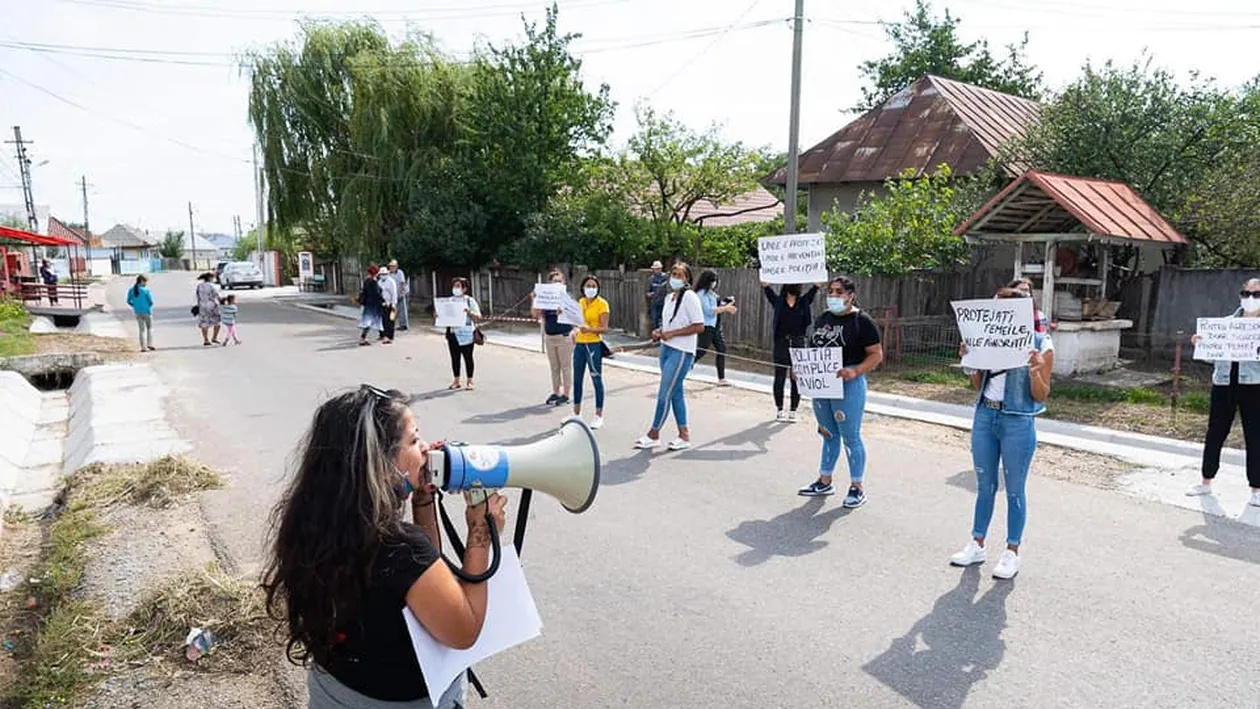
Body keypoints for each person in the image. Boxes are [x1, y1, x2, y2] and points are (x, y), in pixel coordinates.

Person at [261, 385, 508, 709]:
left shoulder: (317, 523)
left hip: (334, 690)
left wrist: (422, 502)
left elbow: (424, 578)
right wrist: (480, 534)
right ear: (382, 465)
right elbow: (463, 631)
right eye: (414, 441)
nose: (425, 448)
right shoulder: (399, 547)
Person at [950, 283, 1055, 580]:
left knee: (1015, 489)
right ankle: (977, 543)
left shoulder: (1041, 343)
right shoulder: (986, 339)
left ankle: (1012, 551)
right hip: (985, 414)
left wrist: (1035, 371)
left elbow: (1041, 395)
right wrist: (971, 362)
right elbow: (977, 384)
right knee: (985, 484)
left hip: (1017, 420)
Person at [797, 277, 884, 508]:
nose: (833, 296)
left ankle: (857, 487)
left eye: (839, 292)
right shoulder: (823, 318)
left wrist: (856, 371)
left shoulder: (861, 321)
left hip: (849, 385)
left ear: (851, 295)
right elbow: (813, 349)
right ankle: (824, 480)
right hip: (822, 385)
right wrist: (802, 370)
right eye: (830, 292)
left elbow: (876, 355)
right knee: (827, 433)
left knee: (851, 436)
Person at [1187, 277, 1260, 507]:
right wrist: (1200, 344)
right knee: (1215, 432)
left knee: (1255, 435)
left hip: (1254, 386)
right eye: (1246, 293)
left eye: (1257, 294)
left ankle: (1256, 489)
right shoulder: (1225, 324)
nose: (1251, 298)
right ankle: (1206, 481)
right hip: (1224, 384)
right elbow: (1213, 356)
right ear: (1240, 296)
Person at [635, 262, 706, 451]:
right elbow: (669, 324)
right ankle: (684, 435)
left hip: (681, 351)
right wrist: (660, 331)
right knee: (676, 393)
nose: (675, 278)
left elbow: (699, 326)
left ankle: (654, 433)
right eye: (673, 274)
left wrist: (673, 334)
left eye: (680, 275)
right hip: (666, 348)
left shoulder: (689, 297)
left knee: (664, 392)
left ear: (687, 279)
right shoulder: (669, 298)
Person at [762, 281, 821, 422]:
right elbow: (769, 293)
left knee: (796, 377)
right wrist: (765, 285)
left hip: (798, 343)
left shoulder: (803, 302)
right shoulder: (779, 302)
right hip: (781, 343)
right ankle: (780, 409)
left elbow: (812, 293)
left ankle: (793, 410)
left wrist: (816, 285)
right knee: (780, 376)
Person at [531, 270, 574, 408]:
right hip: (550, 336)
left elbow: (574, 315)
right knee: (554, 367)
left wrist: (563, 311)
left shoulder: (568, 298)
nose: (556, 283)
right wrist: (534, 299)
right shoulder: (545, 297)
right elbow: (536, 314)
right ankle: (556, 392)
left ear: (564, 282)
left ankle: (566, 394)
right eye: (554, 281)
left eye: (559, 281)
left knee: (565, 367)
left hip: (564, 336)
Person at [572, 275, 609, 429]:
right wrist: (575, 329)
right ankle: (576, 413)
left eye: (594, 286)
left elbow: (604, 328)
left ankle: (598, 415)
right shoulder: (580, 302)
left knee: (596, 378)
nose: (591, 288)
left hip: (593, 344)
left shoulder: (602, 304)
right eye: (588, 285)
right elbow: (575, 321)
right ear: (583, 287)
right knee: (577, 379)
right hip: (580, 343)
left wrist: (590, 330)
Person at [695, 269, 736, 385]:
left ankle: (721, 378)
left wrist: (726, 302)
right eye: (713, 280)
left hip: (716, 325)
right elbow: (709, 311)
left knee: (721, 349)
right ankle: (684, 368)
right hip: (707, 325)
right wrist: (726, 308)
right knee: (701, 350)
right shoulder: (701, 294)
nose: (715, 283)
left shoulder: (711, 293)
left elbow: (717, 305)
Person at [445, 277, 482, 390]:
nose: (455, 288)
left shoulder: (469, 301)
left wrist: (469, 312)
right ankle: (456, 380)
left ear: (464, 289)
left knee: (468, 357)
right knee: (454, 358)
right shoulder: (449, 301)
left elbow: (478, 317)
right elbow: (443, 315)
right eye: (454, 286)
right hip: (453, 333)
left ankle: (470, 381)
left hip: (466, 334)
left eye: (458, 286)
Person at [126, 274, 155, 352]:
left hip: (137, 312)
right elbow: (151, 301)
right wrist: (148, 306)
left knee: (141, 330)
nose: (146, 283)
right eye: (145, 281)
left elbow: (128, 301)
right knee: (149, 328)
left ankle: (143, 347)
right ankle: (150, 344)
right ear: (141, 281)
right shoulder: (146, 290)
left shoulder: (131, 290)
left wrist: (135, 305)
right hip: (147, 312)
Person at [358, 266, 384, 347]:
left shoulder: (366, 281)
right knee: (369, 321)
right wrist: (383, 300)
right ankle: (362, 338)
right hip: (374, 304)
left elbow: (364, 291)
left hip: (368, 303)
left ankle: (382, 334)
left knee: (375, 320)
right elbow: (377, 293)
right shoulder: (374, 281)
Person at [195, 272, 222, 346]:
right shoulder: (212, 286)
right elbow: (217, 295)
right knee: (217, 322)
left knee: (204, 323)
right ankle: (214, 337)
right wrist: (222, 302)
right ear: (210, 278)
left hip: (202, 306)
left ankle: (206, 340)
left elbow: (198, 296)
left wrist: (198, 305)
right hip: (212, 306)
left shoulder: (199, 286)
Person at [647, 260, 669, 330]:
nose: (657, 270)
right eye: (655, 269)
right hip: (655, 302)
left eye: (658, 268)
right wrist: (650, 294)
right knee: (655, 319)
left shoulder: (666, 277)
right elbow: (648, 292)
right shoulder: (651, 279)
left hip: (665, 301)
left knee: (665, 319)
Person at [378, 267, 398, 345]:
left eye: (384, 274)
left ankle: (389, 336)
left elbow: (394, 293)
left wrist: (393, 304)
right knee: (384, 320)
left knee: (390, 320)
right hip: (382, 304)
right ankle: (384, 335)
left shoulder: (391, 282)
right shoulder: (379, 282)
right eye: (381, 274)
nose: (383, 275)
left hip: (390, 303)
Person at [388, 259, 409, 331]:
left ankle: (403, 325)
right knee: (393, 309)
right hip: (394, 295)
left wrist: (402, 293)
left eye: (393, 266)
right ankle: (391, 324)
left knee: (402, 309)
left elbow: (403, 283)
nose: (392, 267)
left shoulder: (400, 272)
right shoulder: (388, 274)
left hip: (403, 293)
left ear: (397, 266)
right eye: (391, 266)